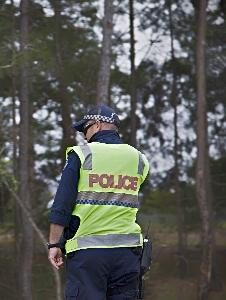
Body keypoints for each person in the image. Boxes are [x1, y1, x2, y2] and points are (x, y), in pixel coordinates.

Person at [47, 105, 149, 300]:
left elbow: (62, 204)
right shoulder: (139, 159)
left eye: (85, 129)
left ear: (98, 124)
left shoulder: (81, 154)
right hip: (128, 253)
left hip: (88, 253)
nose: (85, 136)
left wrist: (53, 244)